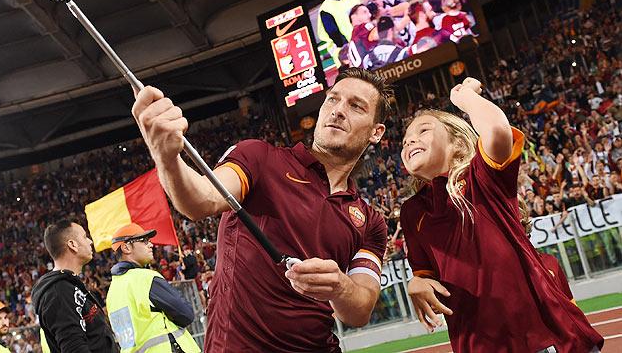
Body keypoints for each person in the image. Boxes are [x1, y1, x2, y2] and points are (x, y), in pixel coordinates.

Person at [132, 67, 390, 352]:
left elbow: (360, 311)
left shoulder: (370, 220)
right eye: (333, 99)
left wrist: (341, 287)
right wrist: (166, 157)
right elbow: (202, 200)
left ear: (376, 132)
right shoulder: (260, 158)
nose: (339, 110)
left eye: (356, 106)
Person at [399, 77, 603, 352]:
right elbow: (426, 274)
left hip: (538, 340)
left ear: (457, 142)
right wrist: (417, 282)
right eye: (405, 140)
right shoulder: (412, 212)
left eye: (423, 130)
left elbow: (496, 130)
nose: (410, 140)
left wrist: (466, 97)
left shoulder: (481, 178)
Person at [106, 223, 199, 353]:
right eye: (143, 241)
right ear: (126, 247)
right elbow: (186, 314)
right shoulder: (145, 277)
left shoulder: (112, 292)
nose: (151, 245)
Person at [32, 220, 118, 353]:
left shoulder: (68, 285)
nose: (90, 241)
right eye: (84, 237)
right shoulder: (58, 292)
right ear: (72, 245)